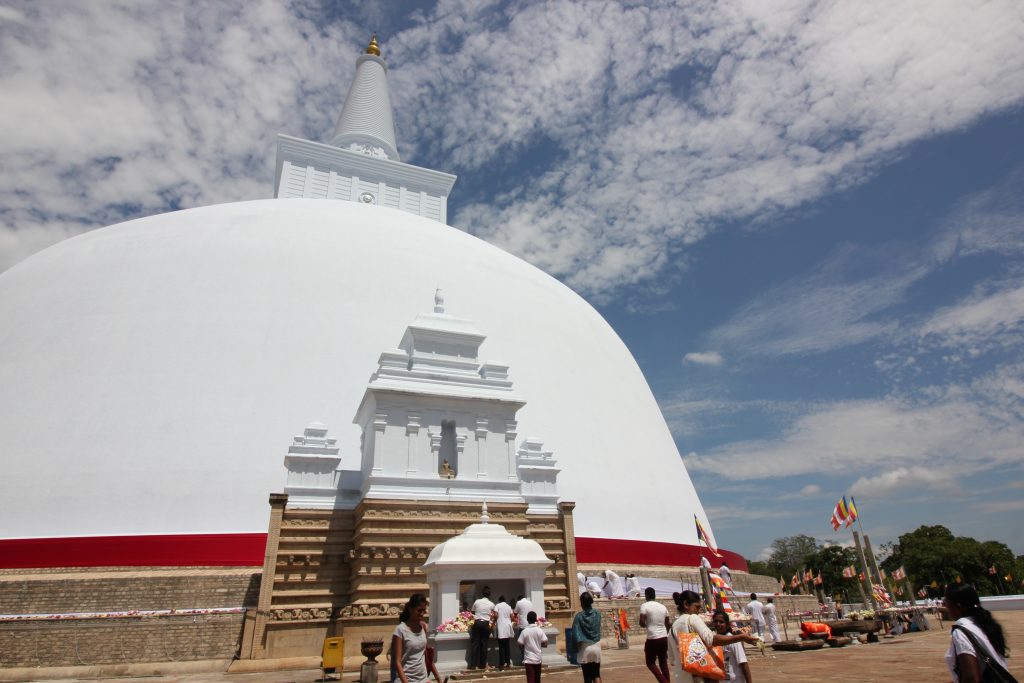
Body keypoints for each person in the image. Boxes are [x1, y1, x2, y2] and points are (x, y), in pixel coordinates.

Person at [669, 590, 758, 683]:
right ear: (686, 604)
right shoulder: (692, 618)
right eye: (697, 607)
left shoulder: (672, 629)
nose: (698, 611)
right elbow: (711, 639)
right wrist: (741, 637)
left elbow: (672, 660)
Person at [943, 584, 1011, 683]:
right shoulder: (984, 623)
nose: (945, 607)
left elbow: (972, 678)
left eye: (946, 602)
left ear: (958, 606)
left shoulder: (961, 631)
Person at [390, 593, 444, 683]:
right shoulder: (400, 630)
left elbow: (427, 656)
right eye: (419, 610)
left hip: (423, 679)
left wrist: (438, 678)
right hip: (405, 680)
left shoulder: (423, 627)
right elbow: (397, 662)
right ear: (411, 609)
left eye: (424, 610)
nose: (422, 614)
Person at [639, 587, 671, 683]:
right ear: (655, 595)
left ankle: (664, 682)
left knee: (650, 662)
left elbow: (641, 622)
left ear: (646, 595)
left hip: (653, 637)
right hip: (664, 637)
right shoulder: (662, 607)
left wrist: (647, 625)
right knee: (663, 663)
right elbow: (667, 624)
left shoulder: (644, 606)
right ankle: (667, 681)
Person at [712, 610, 752, 683]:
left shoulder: (734, 641)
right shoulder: (714, 641)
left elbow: (744, 663)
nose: (718, 624)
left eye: (721, 622)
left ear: (727, 624)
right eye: (716, 621)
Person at [572, 591, 602, 683]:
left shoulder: (578, 616)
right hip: (596, 646)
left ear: (581, 602)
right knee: (596, 674)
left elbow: (576, 634)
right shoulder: (597, 613)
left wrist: (574, 648)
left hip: (585, 648)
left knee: (587, 676)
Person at [517, 610, 548, 683]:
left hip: (528, 659)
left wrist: (525, 647)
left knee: (530, 679)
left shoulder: (524, 631)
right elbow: (545, 644)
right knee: (537, 679)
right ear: (535, 619)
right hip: (538, 658)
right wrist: (538, 644)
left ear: (527, 620)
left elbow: (520, 645)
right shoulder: (539, 630)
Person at [470, 586, 495, 670]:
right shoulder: (491, 604)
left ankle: (473, 665)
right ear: (489, 595)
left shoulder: (477, 601)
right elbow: (495, 614)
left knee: (475, 644)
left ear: (482, 594)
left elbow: (472, 611)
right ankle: (482, 664)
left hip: (477, 622)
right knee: (484, 645)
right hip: (485, 623)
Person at [494, 595, 515, 670]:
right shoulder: (509, 606)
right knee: (507, 646)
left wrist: (494, 620)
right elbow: (512, 617)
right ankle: (508, 663)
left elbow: (495, 615)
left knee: (501, 647)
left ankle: (501, 664)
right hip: (507, 627)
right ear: (505, 600)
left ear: (499, 600)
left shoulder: (497, 605)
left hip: (501, 627)